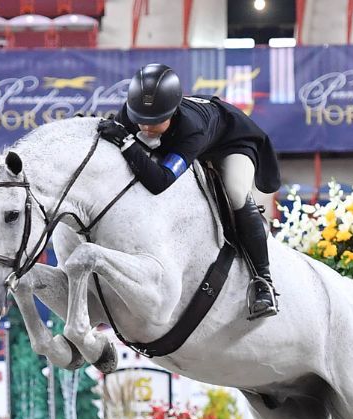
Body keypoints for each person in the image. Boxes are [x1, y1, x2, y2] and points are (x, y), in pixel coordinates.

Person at [96, 63, 282, 320]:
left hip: (232, 142)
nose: (146, 128)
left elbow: (159, 182)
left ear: (172, 113)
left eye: (156, 121)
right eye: (142, 120)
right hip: (198, 137)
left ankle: (263, 281)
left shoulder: (191, 129)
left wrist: (127, 142)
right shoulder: (133, 112)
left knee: (236, 193)